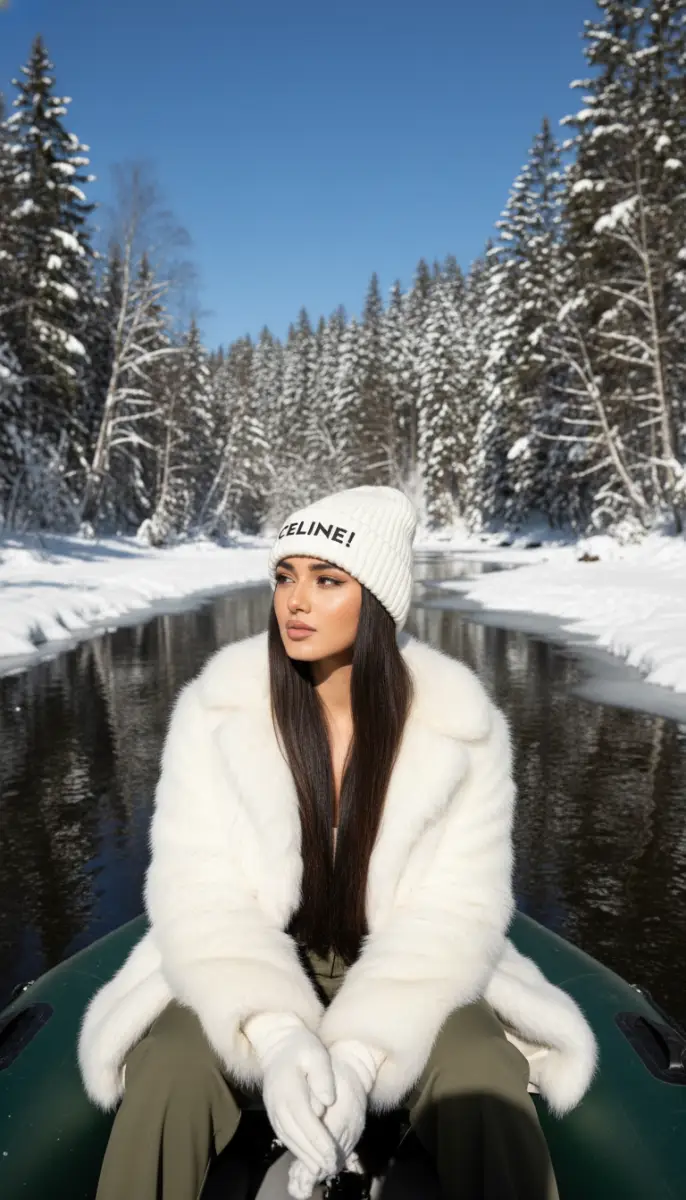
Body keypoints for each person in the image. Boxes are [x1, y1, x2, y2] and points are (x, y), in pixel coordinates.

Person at [79, 485, 597, 1200]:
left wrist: (358, 1056)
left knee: (483, 1070)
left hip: (407, 967)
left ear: (378, 601)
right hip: (248, 957)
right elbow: (198, 891)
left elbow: (454, 910)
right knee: (167, 1066)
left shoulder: (461, 727)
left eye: (327, 581)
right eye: (285, 576)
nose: (295, 602)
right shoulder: (217, 708)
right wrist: (274, 1032)